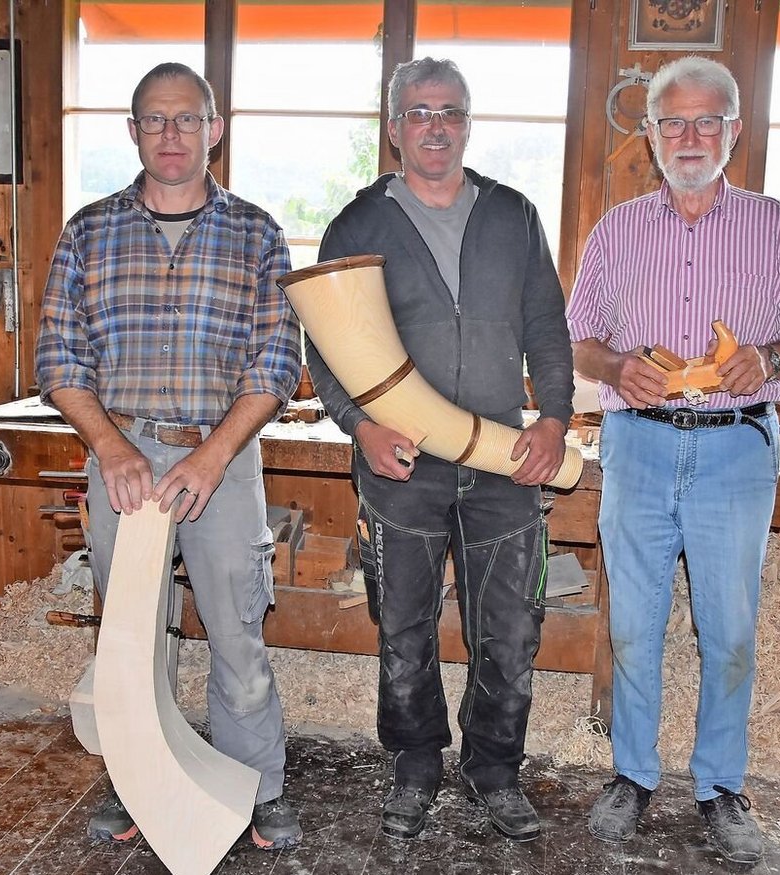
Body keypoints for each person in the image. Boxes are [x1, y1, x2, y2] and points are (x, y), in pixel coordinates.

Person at [565, 56, 780, 866]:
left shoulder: (774, 225)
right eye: (672, 121)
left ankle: (720, 785)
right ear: (647, 134)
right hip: (638, 442)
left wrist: (768, 359)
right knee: (636, 624)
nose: (689, 136)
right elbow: (577, 340)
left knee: (730, 628)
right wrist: (615, 368)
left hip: (735, 447)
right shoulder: (616, 231)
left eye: (706, 121)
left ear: (734, 131)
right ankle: (633, 775)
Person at [34, 62, 303, 851]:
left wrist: (216, 456)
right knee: (129, 635)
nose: (172, 135)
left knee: (237, 627)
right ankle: (133, 780)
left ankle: (258, 783)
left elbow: (276, 364)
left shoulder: (257, 233)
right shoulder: (88, 230)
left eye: (188, 119)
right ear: (133, 132)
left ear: (215, 129)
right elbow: (58, 357)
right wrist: (112, 447)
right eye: (155, 120)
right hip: (124, 453)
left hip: (223, 450)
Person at [306, 57, 574, 843]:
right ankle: (417, 759)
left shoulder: (513, 213)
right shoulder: (358, 224)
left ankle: (494, 765)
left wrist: (553, 419)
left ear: (468, 123)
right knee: (404, 624)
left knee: (511, 627)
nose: (435, 125)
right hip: (401, 461)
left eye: (450, 112)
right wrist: (362, 424)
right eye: (419, 112)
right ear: (393, 126)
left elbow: (547, 326)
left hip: (501, 456)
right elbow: (323, 347)